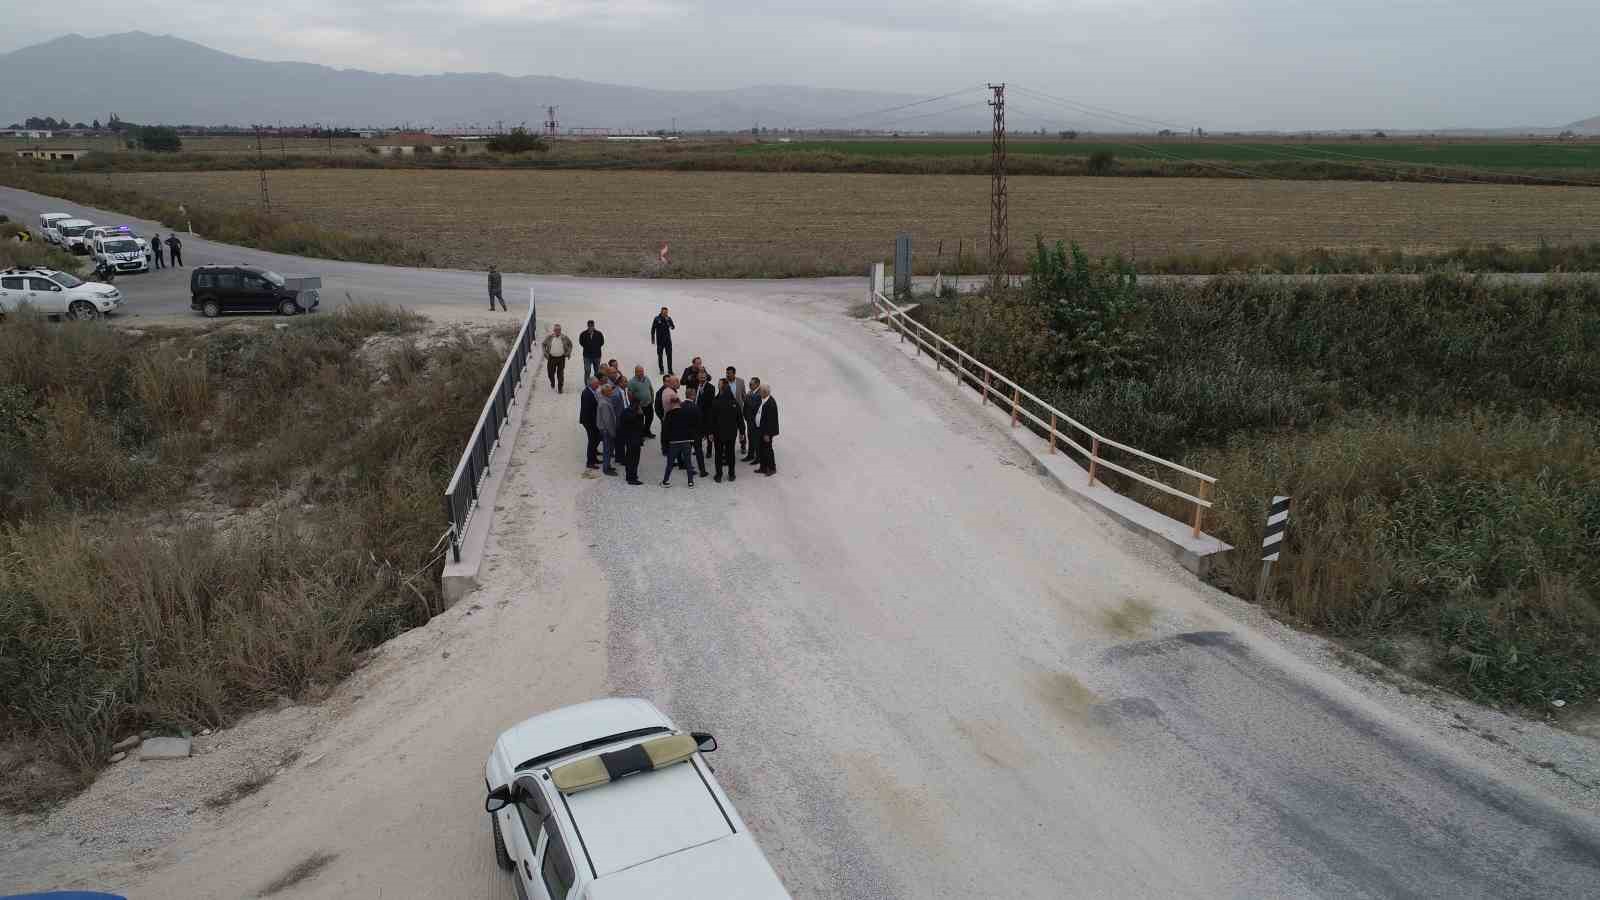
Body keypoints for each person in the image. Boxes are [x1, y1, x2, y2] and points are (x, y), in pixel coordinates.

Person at [660, 393, 696, 488]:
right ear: (679, 402)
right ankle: (690, 482)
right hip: (686, 441)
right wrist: (691, 438)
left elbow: (665, 431)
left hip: (673, 442)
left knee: (670, 463)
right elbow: (691, 426)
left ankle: (665, 481)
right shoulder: (685, 412)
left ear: (671, 403)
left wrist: (664, 445)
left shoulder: (669, 414)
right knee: (688, 463)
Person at [712, 378, 743, 483]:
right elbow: (740, 418)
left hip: (718, 433)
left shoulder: (716, 401)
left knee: (718, 454)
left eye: (719, 384)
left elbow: (711, 419)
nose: (718, 385)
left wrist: (710, 432)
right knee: (730, 454)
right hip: (731, 433)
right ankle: (731, 474)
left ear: (722, 388)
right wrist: (742, 432)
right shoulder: (734, 402)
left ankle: (718, 475)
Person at [682, 384, 708, 477]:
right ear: (692, 396)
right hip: (696, 434)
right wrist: (703, 433)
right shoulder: (695, 407)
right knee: (698, 452)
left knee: (687, 453)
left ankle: (689, 470)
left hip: (685, 434)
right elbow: (700, 421)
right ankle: (702, 471)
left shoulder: (681, 405)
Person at [754, 383, 779, 475]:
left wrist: (767, 434)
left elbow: (771, 421)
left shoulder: (771, 403)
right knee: (761, 449)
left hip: (766, 432)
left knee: (768, 450)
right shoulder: (763, 400)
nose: (759, 392)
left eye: (760, 391)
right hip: (760, 430)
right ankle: (763, 467)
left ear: (765, 392)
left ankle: (772, 468)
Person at [618, 400, 645, 485]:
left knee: (629, 458)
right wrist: (641, 415)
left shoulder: (625, 412)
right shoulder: (636, 415)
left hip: (628, 440)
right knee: (634, 460)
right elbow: (640, 426)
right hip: (634, 441)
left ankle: (630, 475)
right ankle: (632, 478)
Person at [596, 383, 620, 476]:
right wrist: (612, 432)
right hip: (607, 430)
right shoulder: (604, 403)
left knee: (609, 449)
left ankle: (608, 465)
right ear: (605, 392)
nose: (611, 392)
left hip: (606, 430)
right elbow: (607, 421)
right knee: (607, 450)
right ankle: (606, 468)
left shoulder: (605, 400)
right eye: (609, 391)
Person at [579, 376, 602, 470]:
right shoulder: (587, 394)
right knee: (592, 441)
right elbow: (589, 411)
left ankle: (594, 458)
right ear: (591, 384)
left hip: (591, 420)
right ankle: (590, 462)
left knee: (595, 439)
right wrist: (596, 423)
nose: (598, 385)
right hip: (589, 421)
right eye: (597, 384)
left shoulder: (592, 391)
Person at [724, 366, 748, 455]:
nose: (727, 375)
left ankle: (743, 445)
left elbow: (744, 396)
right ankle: (727, 447)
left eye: (729, 373)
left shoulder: (741, 382)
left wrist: (746, 408)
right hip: (727, 411)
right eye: (727, 373)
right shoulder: (724, 382)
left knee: (741, 428)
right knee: (727, 429)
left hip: (739, 410)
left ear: (734, 374)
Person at [542, 324, 572, 392]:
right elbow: (543, 344)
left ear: (560, 330)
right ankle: (552, 382)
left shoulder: (564, 337)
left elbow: (570, 344)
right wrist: (545, 352)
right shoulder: (550, 337)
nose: (557, 331)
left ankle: (560, 388)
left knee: (560, 374)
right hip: (551, 358)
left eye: (559, 330)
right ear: (554, 331)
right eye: (556, 330)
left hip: (561, 358)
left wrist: (568, 352)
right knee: (550, 373)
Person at [629, 366, 656, 438]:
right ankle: (640, 435)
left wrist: (652, 398)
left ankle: (647, 431)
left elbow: (650, 388)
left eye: (642, 371)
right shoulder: (632, 382)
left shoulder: (647, 378)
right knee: (640, 421)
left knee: (650, 418)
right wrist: (635, 406)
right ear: (635, 372)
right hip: (639, 406)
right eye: (639, 371)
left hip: (648, 403)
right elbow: (630, 394)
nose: (641, 373)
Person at [654, 375, 678, 455]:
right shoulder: (660, 392)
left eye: (670, 381)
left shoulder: (672, 389)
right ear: (663, 382)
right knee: (665, 433)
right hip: (665, 416)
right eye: (667, 381)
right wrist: (662, 417)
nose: (669, 383)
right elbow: (657, 407)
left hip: (672, 416)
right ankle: (665, 449)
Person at [741, 377, 763, 462]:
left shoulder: (760, 393)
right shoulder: (750, 392)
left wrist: (746, 399)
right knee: (750, 437)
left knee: (756, 439)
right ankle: (750, 455)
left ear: (757, 384)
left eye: (751, 384)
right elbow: (747, 405)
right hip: (749, 420)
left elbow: (754, 406)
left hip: (755, 421)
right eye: (749, 384)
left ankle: (758, 457)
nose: (749, 385)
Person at [650, 307, 675, 375]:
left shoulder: (669, 318)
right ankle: (661, 370)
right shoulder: (657, 318)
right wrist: (653, 339)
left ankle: (670, 370)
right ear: (661, 312)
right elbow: (653, 329)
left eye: (666, 312)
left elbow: (673, 327)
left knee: (669, 356)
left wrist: (668, 322)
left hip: (668, 341)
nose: (665, 313)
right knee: (660, 356)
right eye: (664, 312)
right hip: (660, 341)